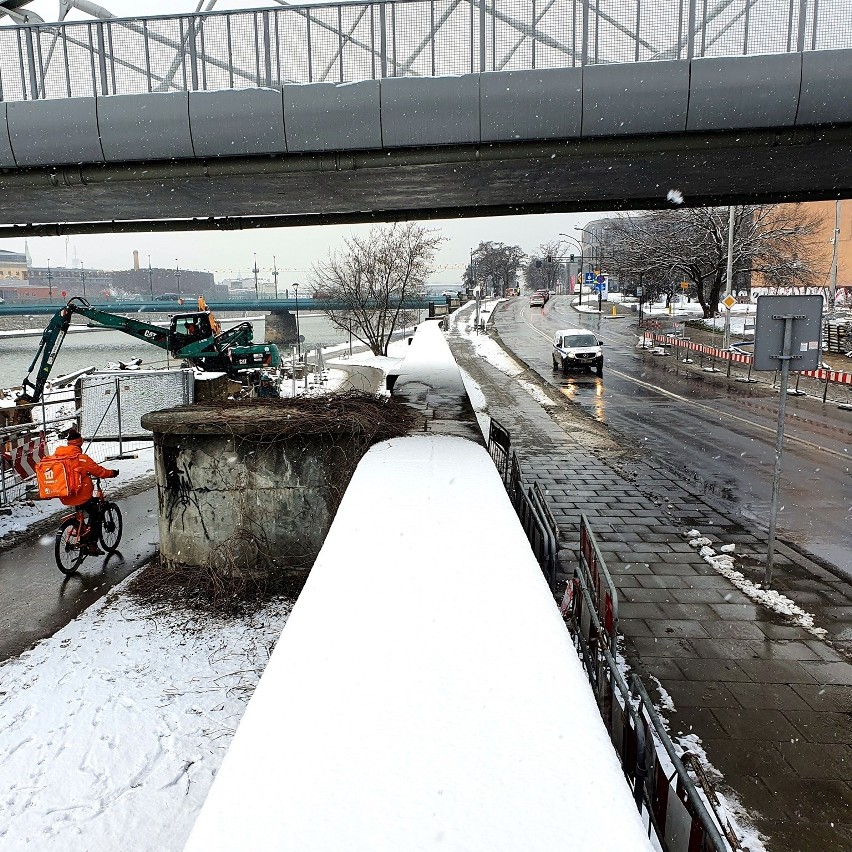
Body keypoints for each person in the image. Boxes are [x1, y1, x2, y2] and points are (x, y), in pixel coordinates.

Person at [55, 429, 119, 556]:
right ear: (80, 443)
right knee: (95, 514)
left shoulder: (59, 456)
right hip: (81, 495)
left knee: (82, 510)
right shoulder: (81, 459)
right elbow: (99, 471)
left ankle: (81, 531)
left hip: (65, 494)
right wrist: (112, 473)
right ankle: (92, 545)